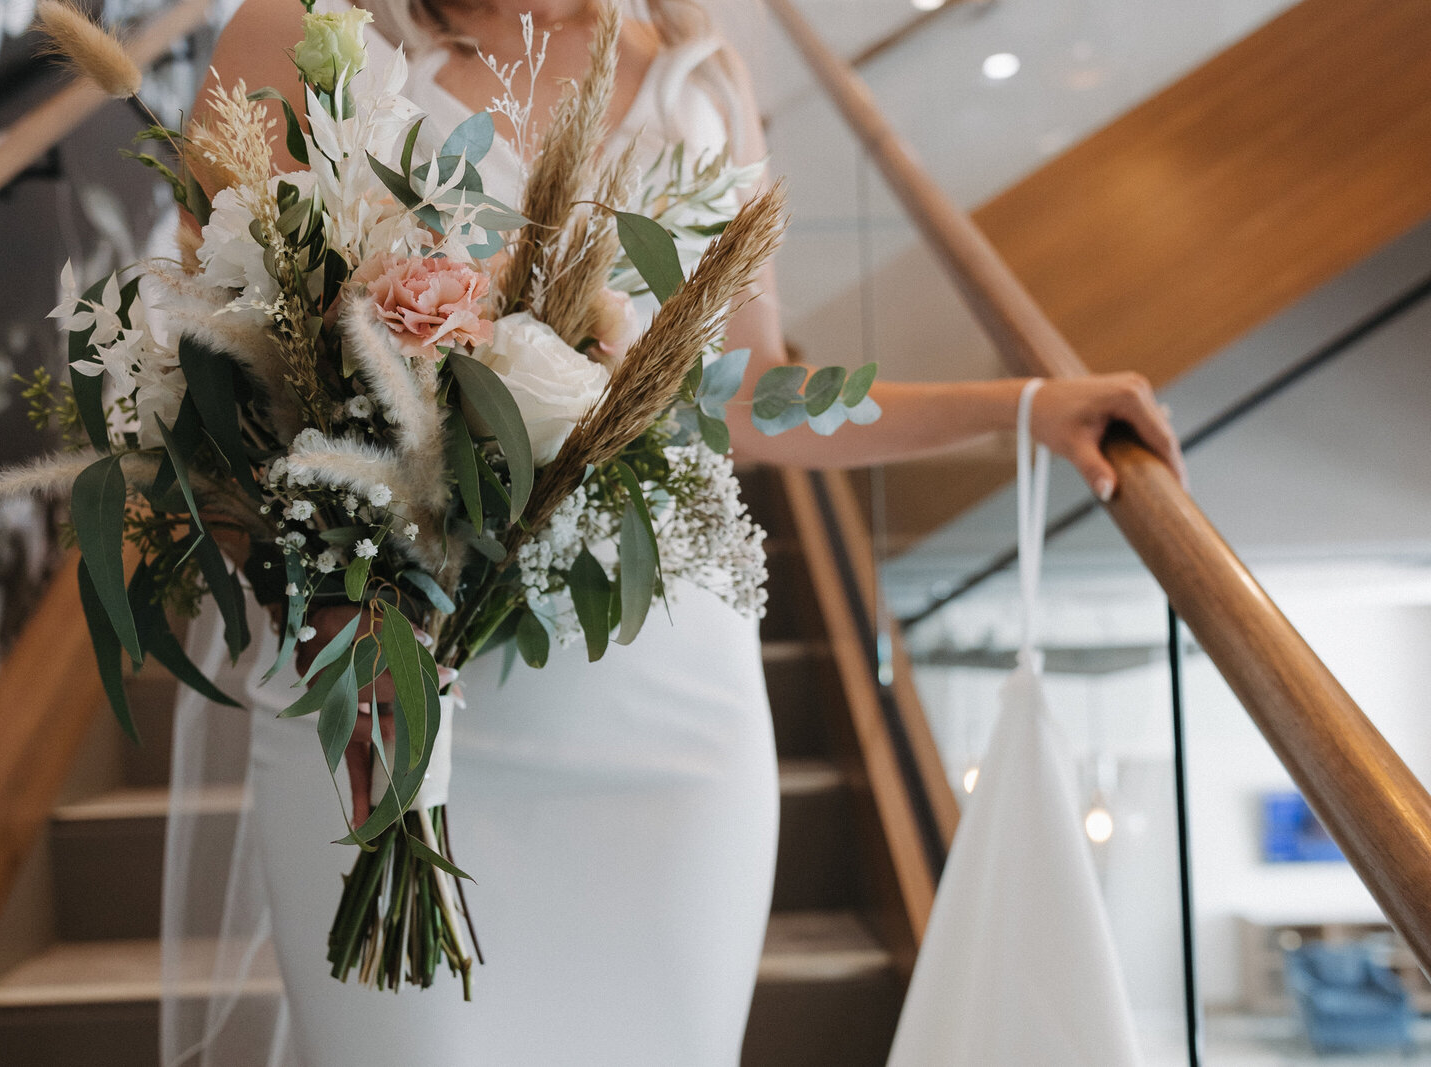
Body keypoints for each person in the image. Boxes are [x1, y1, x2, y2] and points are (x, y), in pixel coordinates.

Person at [161, 2, 1186, 1065]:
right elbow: (214, 377)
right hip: (389, 701)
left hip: (666, 727)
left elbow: (748, 394)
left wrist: (1017, 408)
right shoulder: (299, 33)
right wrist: (337, 603)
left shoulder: (702, 81)